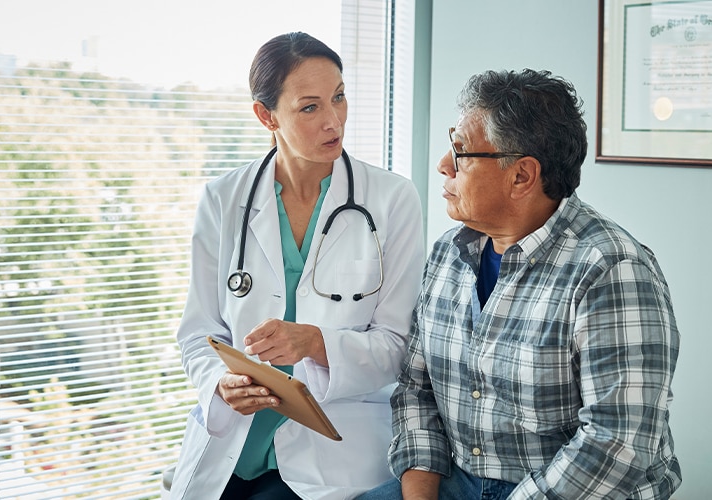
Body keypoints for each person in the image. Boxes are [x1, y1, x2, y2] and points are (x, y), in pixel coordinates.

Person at [361, 69, 681, 499]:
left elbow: (616, 443)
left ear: (522, 176)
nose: (442, 165)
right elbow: (417, 391)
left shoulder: (612, 269)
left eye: (461, 152)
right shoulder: (447, 255)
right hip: (462, 479)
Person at [168, 32, 424, 500]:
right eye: (310, 107)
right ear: (266, 115)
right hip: (233, 442)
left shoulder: (392, 199)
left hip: (332, 449)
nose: (333, 121)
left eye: (339, 98)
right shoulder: (223, 200)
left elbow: (399, 347)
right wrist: (220, 384)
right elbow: (198, 332)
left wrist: (316, 344)